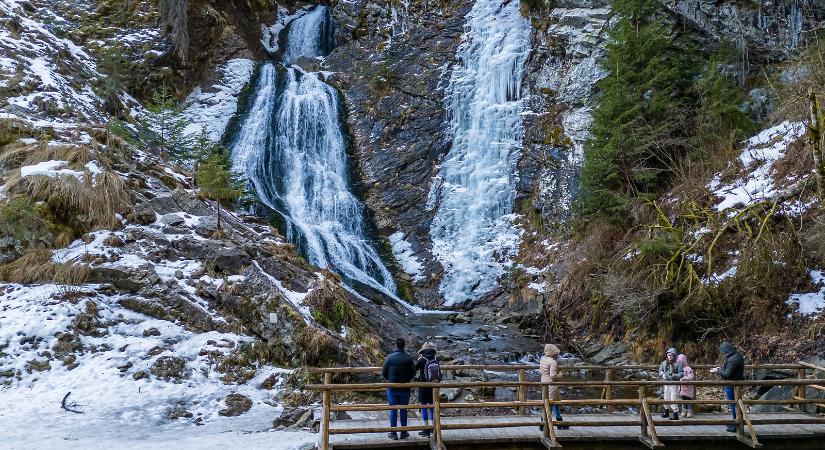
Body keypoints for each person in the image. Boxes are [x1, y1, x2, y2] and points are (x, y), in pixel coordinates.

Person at [381, 337, 416, 440]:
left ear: (395, 345)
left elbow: (384, 373)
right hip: (405, 388)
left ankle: (393, 433)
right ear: (404, 346)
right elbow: (413, 373)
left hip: (392, 388)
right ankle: (403, 432)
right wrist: (406, 379)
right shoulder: (409, 358)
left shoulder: (389, 357)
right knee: (404, 410)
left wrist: (391, 379)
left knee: (393, 410)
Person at [710, 341, 744, 432]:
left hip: (732, 384)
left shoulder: (733, 359)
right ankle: (735, 422)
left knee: (733, 404)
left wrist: (717, 371)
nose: (723, 354)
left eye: (723, 352)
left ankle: (736, 424)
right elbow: (728, 370)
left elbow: (728, 374)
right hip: (735, 383)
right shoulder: (736, 356)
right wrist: (720, 369)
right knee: (734, 404)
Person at [539, 344, 569, 430]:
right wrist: (560, 375)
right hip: (552, 384)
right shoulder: (553, 362)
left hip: (544, 382)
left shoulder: (542, 359)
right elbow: (553, 376)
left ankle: (559, 421)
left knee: (554, 402)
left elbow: (541, 371)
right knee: (550, 403)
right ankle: (543, 424)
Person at [415, 342, 440, 437]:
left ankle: (426, 429)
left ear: (424, 349)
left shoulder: (422, 359)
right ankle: (434, 428)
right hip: (434, 386)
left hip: (424, 386)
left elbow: (414, 368)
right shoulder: (435, 358)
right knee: (433, 407)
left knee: (424, 407)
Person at [658, 347, 684, 420]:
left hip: (674, 384)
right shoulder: (663, 363)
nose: (670, 357)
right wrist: (662, 374)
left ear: (675, 356)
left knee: (673, 398)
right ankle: (666, 412)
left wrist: (674, 376)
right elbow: (660, 370)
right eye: (668, 355)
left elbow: (681, 373)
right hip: (666, 383)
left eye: (672, 356)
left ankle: (675, 414)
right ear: (666, 355)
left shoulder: (678, 364)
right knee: (666, 397)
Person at [677, 353, 695, 418]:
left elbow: (691, 377)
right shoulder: (679, 369)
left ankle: (689, 411)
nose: (679, 363)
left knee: (688, 400)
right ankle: (684, 411)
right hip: (681, 388)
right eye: (678, 362)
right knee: (683, 400)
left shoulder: (688, 369)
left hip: (688, 387)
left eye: (680, 362)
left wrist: (684, 378)